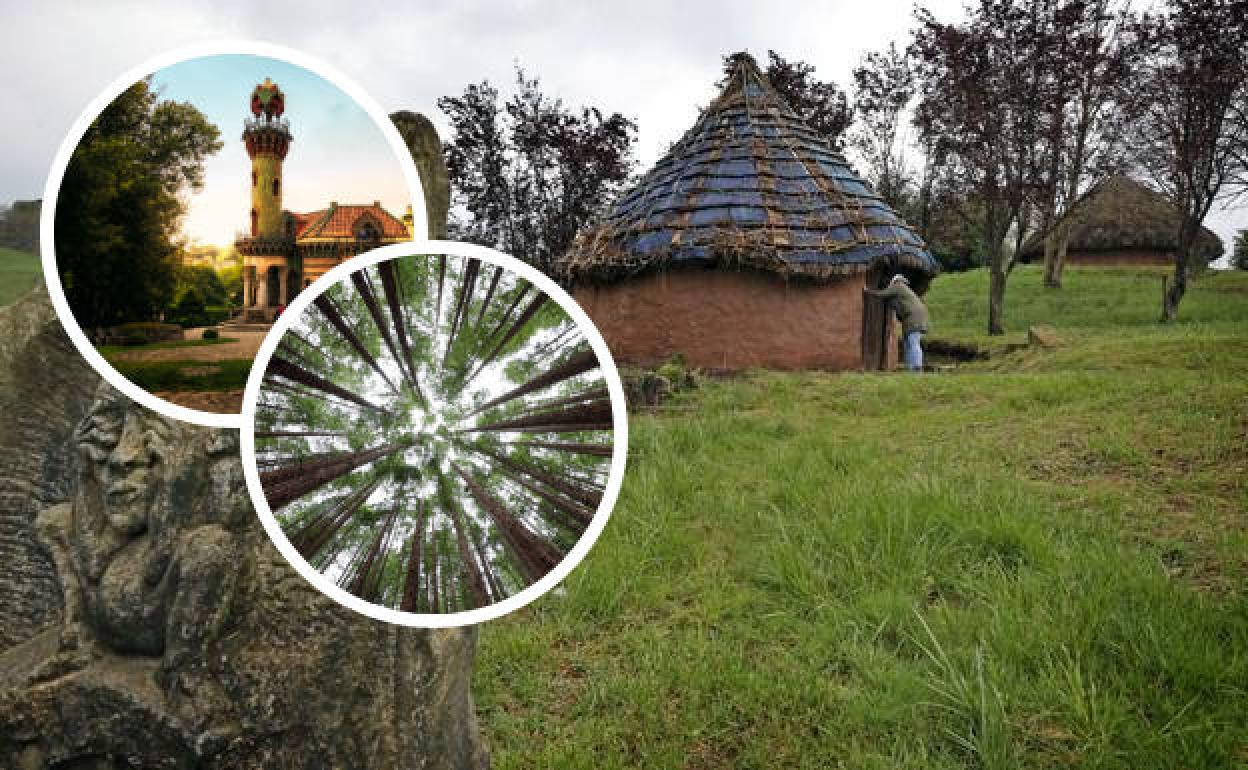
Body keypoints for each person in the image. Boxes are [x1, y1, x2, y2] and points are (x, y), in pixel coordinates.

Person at [865, 274, 929, 372]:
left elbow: (883, 294)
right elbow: (897, 307)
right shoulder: (904, 291)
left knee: (913, 342)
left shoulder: (898, 286)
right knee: (908, 343)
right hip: (914, 317)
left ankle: (917, 367)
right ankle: (911, 368)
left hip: (914, 318)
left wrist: (868, 291)